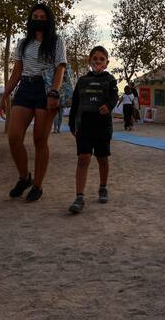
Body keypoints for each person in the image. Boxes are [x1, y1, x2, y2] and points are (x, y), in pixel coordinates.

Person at [0, 3, 67, 203]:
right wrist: (5, 94)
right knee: (14, 137)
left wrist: (54, 92)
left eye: (42, 17)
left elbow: (60, 69)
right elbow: (17, 71)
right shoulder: (23, 43)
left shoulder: (57, 41)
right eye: (35, 16)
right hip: (25, 88)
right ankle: (24, 178)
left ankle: (37, 185)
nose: (38, 19)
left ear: (49, 20)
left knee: (39, 140)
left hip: (45, 89)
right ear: (30, 19)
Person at [68, 46, 119, 213]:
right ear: (89, 61)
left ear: (107, 63)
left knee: (102, 158)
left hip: (103, 127)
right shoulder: (82, 81)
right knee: (83, 158)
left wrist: (108, 106)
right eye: (95, 58)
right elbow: (75, 103)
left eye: (101, 59)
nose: (98, 61)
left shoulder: (110, 80)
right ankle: (79, 197)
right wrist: (71, 123)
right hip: (84, 126)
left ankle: (103, 187)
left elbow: (114, 97)